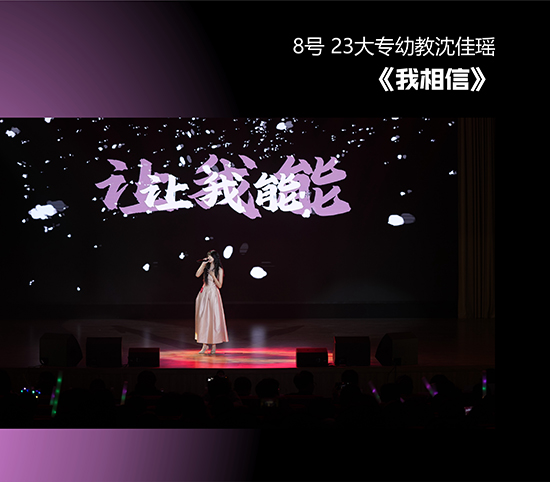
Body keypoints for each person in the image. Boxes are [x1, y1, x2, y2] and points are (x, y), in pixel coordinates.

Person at [195, 250, 229, 354]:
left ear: (215, 258)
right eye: (208, 256)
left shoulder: (219, 269)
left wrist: (213, 276)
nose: (209, 257)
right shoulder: (205, 267)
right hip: (204, 294)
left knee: (214, 319)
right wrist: (203, 264)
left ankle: (214, 344)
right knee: (203, 319)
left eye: (211, 256)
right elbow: (197, 275)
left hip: (213, 294)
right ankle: (204, 345)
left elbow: (220, 285)